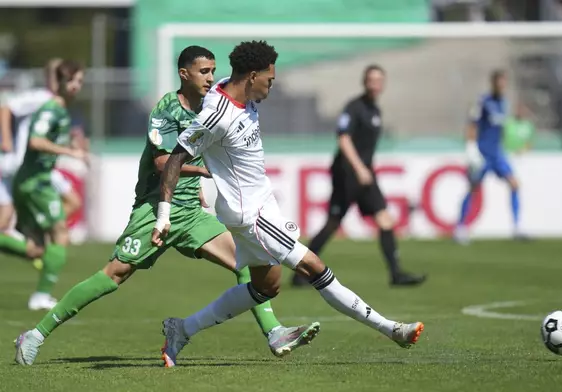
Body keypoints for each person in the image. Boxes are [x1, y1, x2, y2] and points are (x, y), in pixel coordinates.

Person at [13, 46, 318, 367]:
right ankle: (36, 334)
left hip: (189, 212)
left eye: (212, 71)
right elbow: (163, 163)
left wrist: (199, 186)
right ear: (184, 74)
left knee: (245, 260)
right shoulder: (166, 110)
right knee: (113, 275)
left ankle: (273, 332)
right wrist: (205, 173)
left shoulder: (213, 103)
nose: (210, 77)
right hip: (154, 208)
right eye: (203, 71)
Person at [152, 41, 424, 366]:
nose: (272, 85)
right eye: (270, 78)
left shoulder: (234, 89)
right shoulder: (217, 115)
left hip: (261, 205)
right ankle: (392, 329)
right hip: (251, 215)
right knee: (315, 268)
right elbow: (175, 158)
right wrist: (163, 214)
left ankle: (181, 329)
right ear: (252, 76)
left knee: (266, 287)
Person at [292, 65, 425, 287]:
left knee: (385, 219)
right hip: (348, 174)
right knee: (333, 223)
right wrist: (360, 168)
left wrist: (365, 170)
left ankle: (396, 274)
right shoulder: (354, 108)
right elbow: (343, 138)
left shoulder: (375, 110)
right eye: (371, 80)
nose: (375, 84)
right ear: (365, 82)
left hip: (365, 174)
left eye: (379, 80)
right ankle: (300, 271)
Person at [0, 60, 88, 311]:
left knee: (36, 248)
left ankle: (39, 247)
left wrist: (74, 144)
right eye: (74, 80)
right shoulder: (48, 105)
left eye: (80, 81)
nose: (77, 86)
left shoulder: (59, 109)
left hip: (39, 174)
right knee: (60, 232)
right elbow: (36, 140)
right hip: (32, 176)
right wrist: (70, 153)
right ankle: (41, 296)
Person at [454, 70, 525, 244]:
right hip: (483, 153)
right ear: (493, 83)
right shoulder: (483, 102)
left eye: (504, 83)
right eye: (499, 83)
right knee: (473, 188)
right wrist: (471, 150)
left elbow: (501, 130)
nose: (502, 86)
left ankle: (517, 228)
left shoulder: (504, 104)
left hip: (497, 153)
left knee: (514, 184)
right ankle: (460, 228)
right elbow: (472, 125)